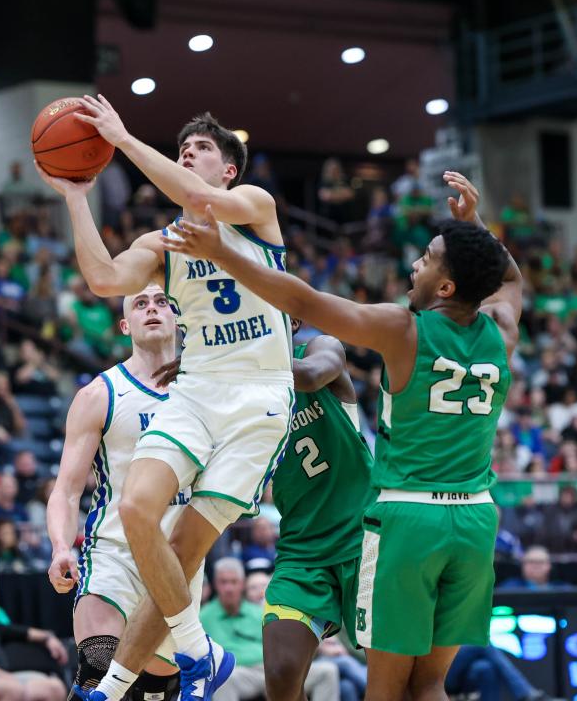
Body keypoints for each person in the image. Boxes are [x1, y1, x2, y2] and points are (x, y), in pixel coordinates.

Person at [163, 170, 521, 701]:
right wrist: (477, 229)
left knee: (386, 691)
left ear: (446, 288)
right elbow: (510, 279)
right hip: (476, 519)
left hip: (407, 519)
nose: (415, 264)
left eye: (427, 259)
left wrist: (223, 254)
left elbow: (307, 304)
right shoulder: (502, 329)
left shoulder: (405, 329)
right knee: (429, 685)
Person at [39, 100, 293, 701]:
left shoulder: (254, 207)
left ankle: (130, 682)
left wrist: (124, 139)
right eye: (183, 149)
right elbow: (104, 279)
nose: (188, 154)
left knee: (185, 546)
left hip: (258, 394)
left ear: (229, 169)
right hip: (198, 387)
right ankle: (198, 652)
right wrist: (76, 197)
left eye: (202, 149)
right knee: (135, 508)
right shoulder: (163, 243)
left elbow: (201, 200)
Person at [45, 284, 186, 700]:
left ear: (178, 318)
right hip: (114, 553)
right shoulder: (100, 394)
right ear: (125, 325)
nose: (152, 309)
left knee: (154, 691)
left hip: (179, 561)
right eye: (140, 304)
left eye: (161, 302)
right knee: (99, 671)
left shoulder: (202, 393)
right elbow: (66, 490)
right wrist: (60, 547)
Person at [260, 318, 374, 701]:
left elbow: (309, 377)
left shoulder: (320, 349)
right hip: (302, 550)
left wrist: (227, 360)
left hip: (366, 540)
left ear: (291, 322)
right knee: (281, 674)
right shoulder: (237, 395)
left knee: (393, 682)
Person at [200, 558, 339, 701]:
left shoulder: (258, 612)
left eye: (233, 582)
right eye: (223, 582)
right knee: (224, 679)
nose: (229, 588)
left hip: (273, 669)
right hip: (241, 673)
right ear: (215, 584)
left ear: (242, 584)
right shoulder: (204, 617)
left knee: (327, 671)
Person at [498, 546, 568, 590]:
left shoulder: (562, 589)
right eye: (531, 562)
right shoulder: (509, 587)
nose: (536, 566)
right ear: (523, 565)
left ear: (549, 565)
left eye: (540, 562)